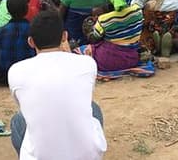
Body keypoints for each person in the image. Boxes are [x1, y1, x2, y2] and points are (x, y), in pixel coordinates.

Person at [9, 11, 107, 160]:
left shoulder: (16, 71)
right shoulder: (87, 64)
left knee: (18, 120)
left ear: (31, 42)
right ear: (64, 37)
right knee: (93, 108)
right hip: (88, 156)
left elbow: (24, 106)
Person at [80, 0, 144, 72]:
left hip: (108, 61)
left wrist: (90, 24)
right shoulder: (138, 11)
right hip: (132, 59)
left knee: (81, 49)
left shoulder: (104, 19)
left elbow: (94, 38)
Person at [0, 0, 36, 84]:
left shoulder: (0, 32)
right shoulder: (34, 31)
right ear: (26, 9)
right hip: (29, 75)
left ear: (8, 11)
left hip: (6, 76)